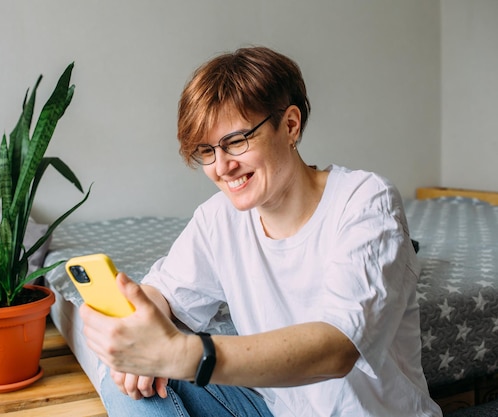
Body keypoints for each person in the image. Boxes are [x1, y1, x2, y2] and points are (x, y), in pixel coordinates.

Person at [80, 46, 443, 416]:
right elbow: (166, 293)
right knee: (127, 382)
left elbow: (339, 347)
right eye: (206, 151)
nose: (222, 167)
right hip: (273, 410)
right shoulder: (218, 218)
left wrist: (184, 354)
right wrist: (133, 324)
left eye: (236, 141)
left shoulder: (366, 200)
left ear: (289, 125)